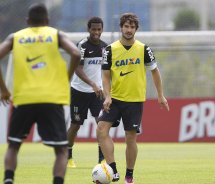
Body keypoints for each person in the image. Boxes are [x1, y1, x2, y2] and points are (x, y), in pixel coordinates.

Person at [0, 3, 80, 184]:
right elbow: (75, 53)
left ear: (27, 21)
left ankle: (8, 180)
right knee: (61, 151)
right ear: (47, 20)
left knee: (13, 145)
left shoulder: (16, 37)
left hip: (24, 98)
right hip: (51, 99)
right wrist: (65, 79)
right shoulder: (55, 34)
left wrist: (4, 90)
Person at [96, 13, 170, 184]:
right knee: (101, 130)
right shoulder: (110, 50)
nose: (128, 30)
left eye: (132, 27)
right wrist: (107, 96)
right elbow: (105, 76)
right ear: (121, 27)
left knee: (130, 137)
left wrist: (160, 95)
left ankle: (129, 176)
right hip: (114, 99)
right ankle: (113, 170)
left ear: (136, 29)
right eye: (126, 26)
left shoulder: (144, 49)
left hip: (135, 100)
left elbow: (155, 71)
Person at [67, 16, 107, 168]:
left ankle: (102, 159)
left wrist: (103, 87)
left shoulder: (105, 47)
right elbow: (77, 68)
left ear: (102, 30)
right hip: (79, 91)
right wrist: (92, 84)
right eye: (93, 29)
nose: (96, 32)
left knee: (101, 124)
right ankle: (68, 157)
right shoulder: (82, 46)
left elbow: (106, 70)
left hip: (97, 93)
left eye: (99, 29)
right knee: (76, 125)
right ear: (88, 29)